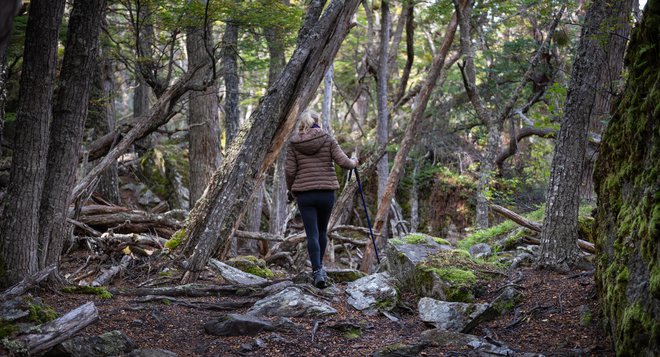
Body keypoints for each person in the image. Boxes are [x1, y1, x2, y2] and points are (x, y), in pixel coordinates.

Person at [285, 110, 358, 288]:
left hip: (305, 194)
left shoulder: (294, 143)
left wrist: (291, 190)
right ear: (318, 121)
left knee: (312, 234)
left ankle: (317, 270)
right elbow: (345, 163)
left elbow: (290, 171)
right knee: (322, 231)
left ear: (302, 124)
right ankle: (320, 270)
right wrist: (355, 161)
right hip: (326, 193)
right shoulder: (328, 139)